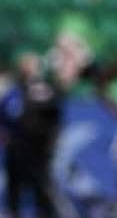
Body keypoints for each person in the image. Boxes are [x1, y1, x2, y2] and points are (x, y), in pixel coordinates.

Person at [1, 52, 66, 217]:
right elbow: (6, 117)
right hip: (17, 150)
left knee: (43, 192)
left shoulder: (47, 91)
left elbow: (55, 118)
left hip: (40, 151)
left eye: (34, 67)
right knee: (14, 192)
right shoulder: (14, 92)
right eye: (28, 68)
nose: (31, 71)